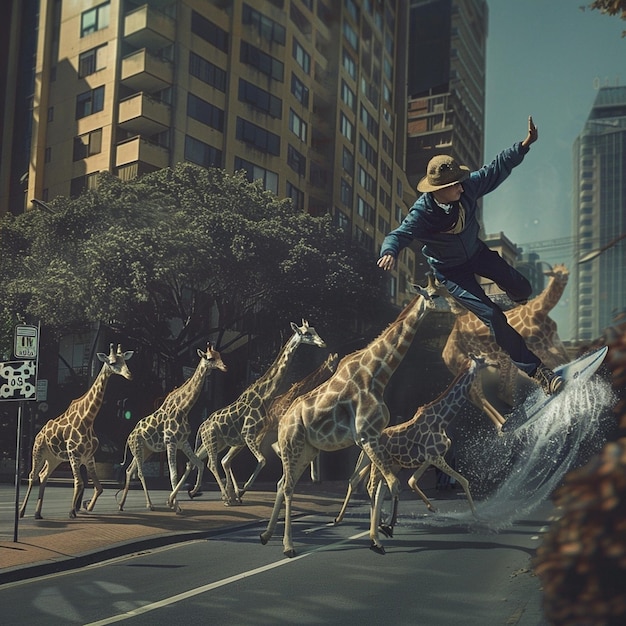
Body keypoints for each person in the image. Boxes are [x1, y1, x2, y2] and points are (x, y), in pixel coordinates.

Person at [377, 116, 564, 396]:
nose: (463, 189)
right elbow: (398, 234)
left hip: (477, 254)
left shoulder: (468, 187)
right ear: (440, 191)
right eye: (456, 187)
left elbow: (495, 169)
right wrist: (389, 251)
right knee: (493, 317)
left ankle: (507, 299)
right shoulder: (421, 214)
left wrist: (524, 145)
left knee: (523, 287)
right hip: (453, 274)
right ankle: (539, 372)